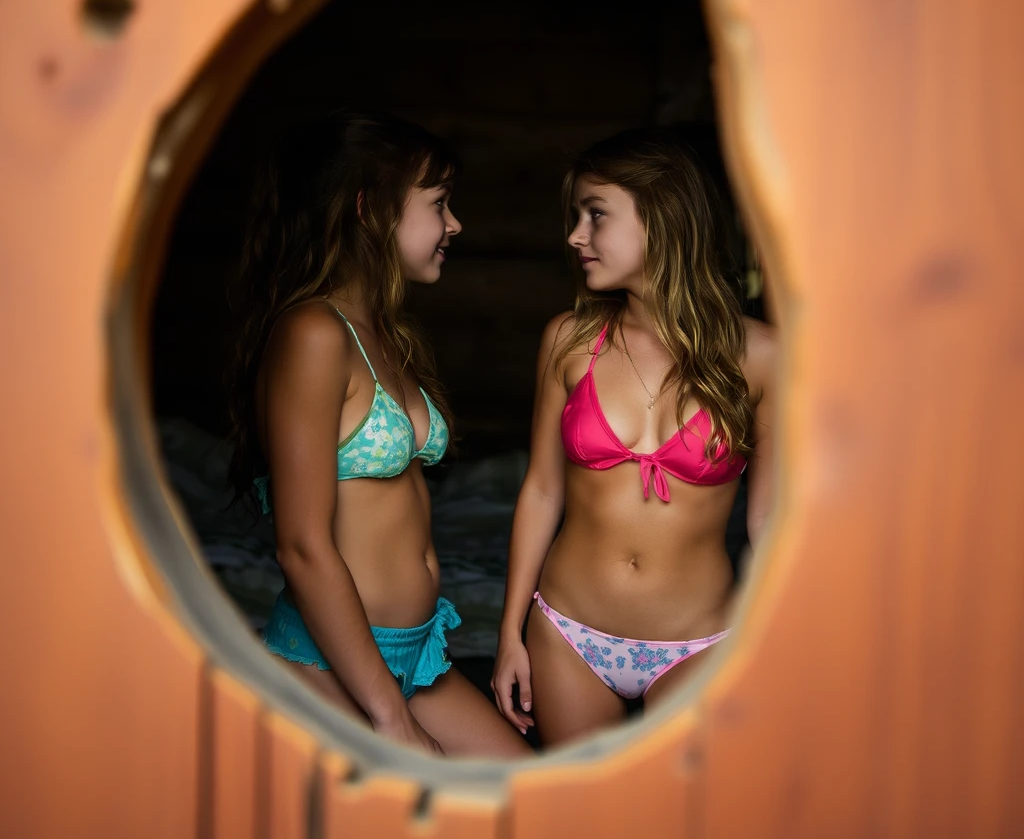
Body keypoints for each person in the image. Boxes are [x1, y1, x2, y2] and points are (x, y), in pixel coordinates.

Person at [227, 110, 528, 757]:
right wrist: (392, 720)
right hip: (330, 662)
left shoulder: (385, 334)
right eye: (440, 203)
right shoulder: (311, 333)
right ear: (370, 209)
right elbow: (302, 546)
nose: (456, 224)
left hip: (417, 654)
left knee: (531, 801)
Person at [492, 127, 776, 746]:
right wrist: (509, 633)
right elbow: (540, 492)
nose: (575, 236)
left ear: (663, 219)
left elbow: (771, 524)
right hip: (568, 632)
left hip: (701, 640)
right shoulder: (567, 340)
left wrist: (776, 643)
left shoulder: (763, 355)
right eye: (575, 217)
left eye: (596, 215)